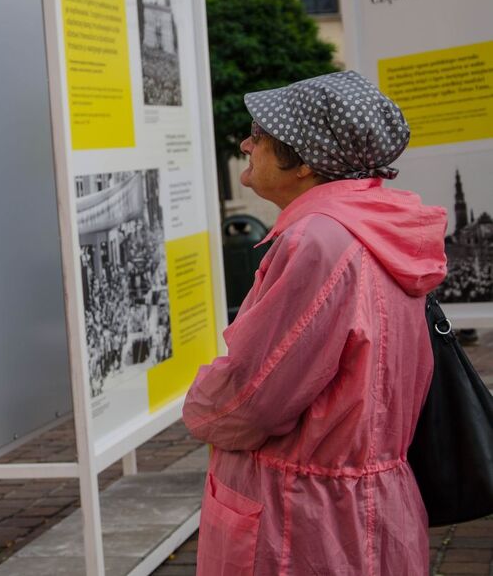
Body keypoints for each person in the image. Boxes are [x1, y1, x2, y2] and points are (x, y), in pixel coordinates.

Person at [183, 71, 447, 575]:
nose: (245, 144)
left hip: (302, 523)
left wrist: (199, 405)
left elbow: (253, 397)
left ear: (304, 161)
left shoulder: (319, 242)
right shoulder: (373, 227)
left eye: (259, 135)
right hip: (361, 508)